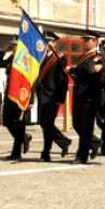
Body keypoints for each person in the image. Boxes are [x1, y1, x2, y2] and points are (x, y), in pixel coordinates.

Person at [0, 36, 32, 161]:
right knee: (7, 121)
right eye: (12, 45)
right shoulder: (12, 58)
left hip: (21, 96)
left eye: (15, 45)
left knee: (19, 124)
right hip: (10, 94)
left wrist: (31, 100)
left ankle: (16, 153)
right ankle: (24, 138)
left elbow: (31, 81)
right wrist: (4, 50)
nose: (13, 47)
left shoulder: (25, 59)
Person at [67, 31, 103, 164]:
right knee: (77, 124)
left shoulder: (98, 56)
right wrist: (72, 70)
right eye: (84, 40)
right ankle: (94, 142)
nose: (85, 42)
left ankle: (82, 156)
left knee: (86, 127)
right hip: (79, 94)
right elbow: (80, 73)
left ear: (95, 42)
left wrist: (74, 69)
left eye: (88, 40)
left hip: (89, 96)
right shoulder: (83, 57)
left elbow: (90, 70)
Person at [36, 31, 72, 162]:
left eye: (49, 42)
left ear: (55, 43)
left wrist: (60, 98)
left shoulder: (59, 58)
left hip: (52, 97)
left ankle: (46, 152)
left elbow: (63, 80)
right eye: (45, 41)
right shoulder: (43, 58)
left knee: (47, 124)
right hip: (42, 95)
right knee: (44, 124)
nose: (47, 44)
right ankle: (63, 142)